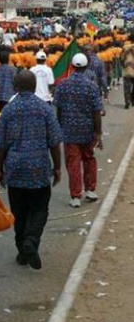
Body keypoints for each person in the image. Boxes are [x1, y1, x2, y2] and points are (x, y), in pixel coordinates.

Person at [0, 70, 63, 270]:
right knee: (40, 209)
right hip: (39, 168)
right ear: (33, 87)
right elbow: (55, 142)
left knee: (19, 211)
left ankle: (23, 251)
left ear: (15, 87)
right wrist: (57, 167)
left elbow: (0, 145)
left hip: (15, 169)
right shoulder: (45, 109)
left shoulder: (8, 110)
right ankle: (31, 241)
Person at [54, 53, 103, 208]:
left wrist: (60, 126)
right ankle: (90, 189)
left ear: (73, 67)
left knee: (73, 163)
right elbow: (96, 112)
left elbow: (59, 109)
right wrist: (98, 132)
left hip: (69, 132)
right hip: (88, 131)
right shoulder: (92, 86)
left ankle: (75, 196)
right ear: (86, 66)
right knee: (89, 159)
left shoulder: (62, 85)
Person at [120, 33, 134, 109]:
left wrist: (123, 66)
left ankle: (127, 102)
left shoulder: (125, 47)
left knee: (126, 87)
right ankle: (133, 99)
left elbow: (121, 58)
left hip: (128, 69)